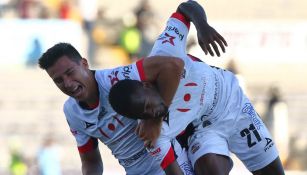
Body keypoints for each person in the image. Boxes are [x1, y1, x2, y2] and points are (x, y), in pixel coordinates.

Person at [38, 2, 226, 175]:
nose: (68, 83)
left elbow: (172, 65)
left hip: (173, 162)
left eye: (70, 72)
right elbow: (92, 162)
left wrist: (156, 119)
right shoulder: (72, 111)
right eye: (59, 80)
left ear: (85, 64)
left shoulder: (120, 79)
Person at [108, 1, 285, 175]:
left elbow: (187, 6)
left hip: (233, 103)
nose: (153, 112)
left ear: (146, 85)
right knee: (210, 169)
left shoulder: (164, 52)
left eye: (148, 104)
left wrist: (202, 26)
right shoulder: (152, 132)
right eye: (144, 114)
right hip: (203, 129)